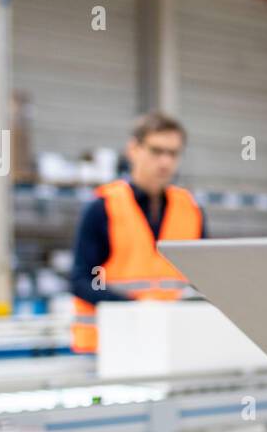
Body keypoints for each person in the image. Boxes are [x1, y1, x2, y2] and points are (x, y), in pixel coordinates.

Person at [69, 111, 206, 353]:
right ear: (133, 149)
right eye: (156, 151)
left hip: (170, 346)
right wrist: (133, 305)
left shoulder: (190, 209)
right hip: (108, 347)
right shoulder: (103, 207)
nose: (165, 162)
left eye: (173, 153)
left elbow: (206, 279)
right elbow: (82, 280)